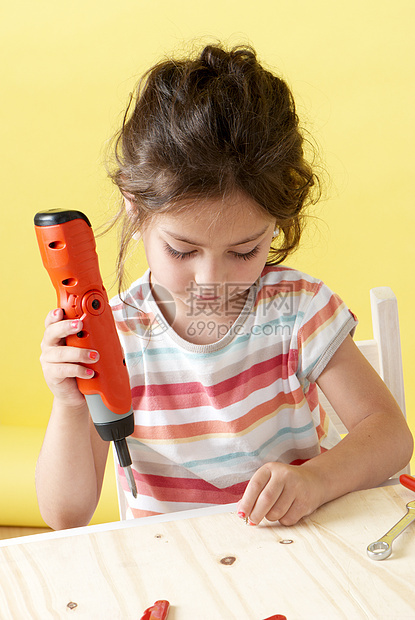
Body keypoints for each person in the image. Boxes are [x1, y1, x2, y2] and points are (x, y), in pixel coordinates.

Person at [36, 43, 413, 530]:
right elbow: (65, 514)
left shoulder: (296, 308)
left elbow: (389, 435)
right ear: (135, 204)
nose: (211, 280)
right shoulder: (116, 337)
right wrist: (69, 403)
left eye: (244, 251)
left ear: (277, 223)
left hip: (297, 550)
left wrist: (316, 480)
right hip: (176, 568)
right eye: (183, 250)